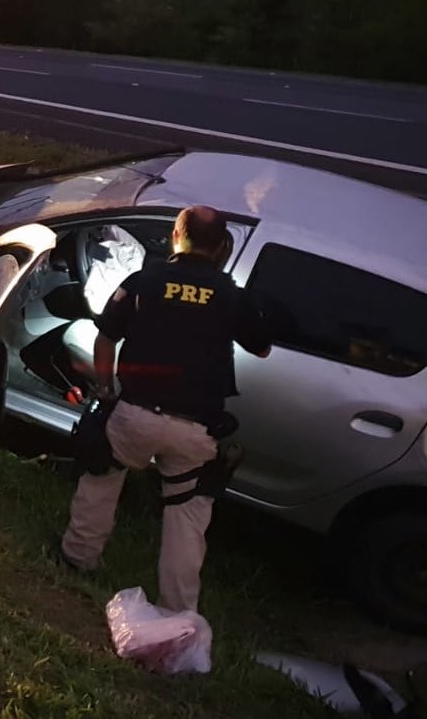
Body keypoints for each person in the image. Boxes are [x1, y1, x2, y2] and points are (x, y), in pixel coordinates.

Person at [59, 205, 272, 612]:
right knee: (188, 515)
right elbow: (261, 348)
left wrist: (105, 393)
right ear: (222, 246)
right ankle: (177, 608)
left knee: (101, 476)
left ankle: (78, 558)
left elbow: (105, 340)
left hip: (135, 416)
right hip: (195, 430)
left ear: (177, 236)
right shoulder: (231, 295)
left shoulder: (144, 281)